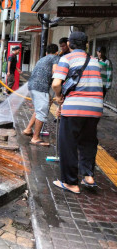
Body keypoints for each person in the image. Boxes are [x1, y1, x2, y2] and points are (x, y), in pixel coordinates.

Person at [52, 32, 103, 194]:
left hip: (74, 108)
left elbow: (56, 83)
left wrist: (59, 97)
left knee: (68, 144)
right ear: (86, 45)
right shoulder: (95, 61)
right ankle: (88, 176)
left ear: (69, 43)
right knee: (88, 142)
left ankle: (70, 183)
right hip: (95, 109)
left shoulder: (66, 59)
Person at [22, 44, 59, 146]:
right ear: (57, 52)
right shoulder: (56, 58)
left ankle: (28, 129)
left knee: (39, 109)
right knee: (42, 112)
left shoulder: (42, 59)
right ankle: (35, 138)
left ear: (46, 52)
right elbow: (55, 71)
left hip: (31, 85)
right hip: (40, 87)